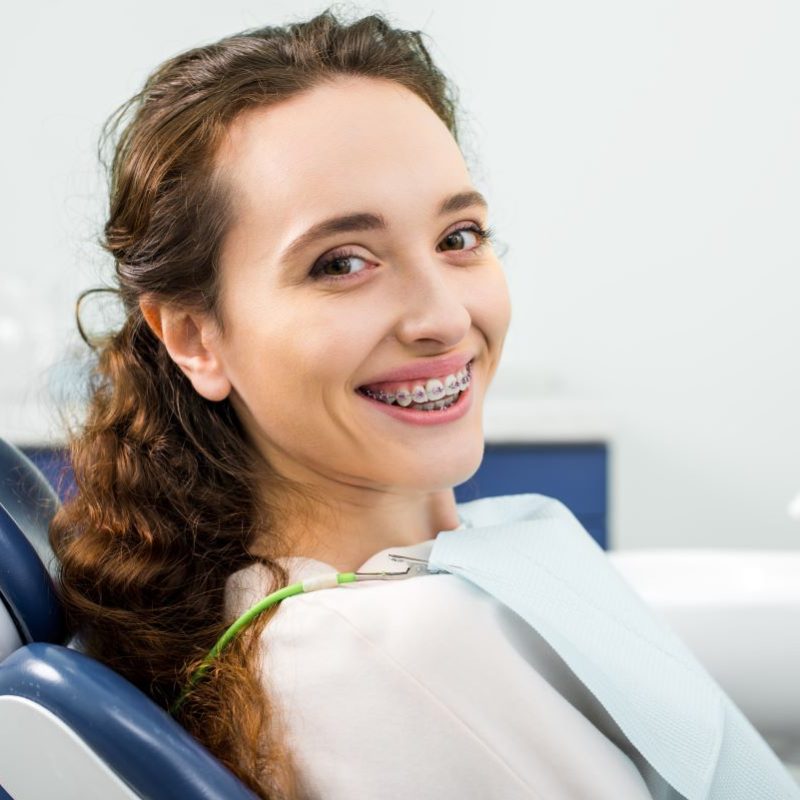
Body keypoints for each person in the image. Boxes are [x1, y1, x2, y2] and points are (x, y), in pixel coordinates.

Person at [49, 7, 654, 799]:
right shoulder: (392, 650)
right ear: (197, 336)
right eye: (342, 262)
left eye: (458, 237)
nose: (443, 318)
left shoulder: (411, 590)